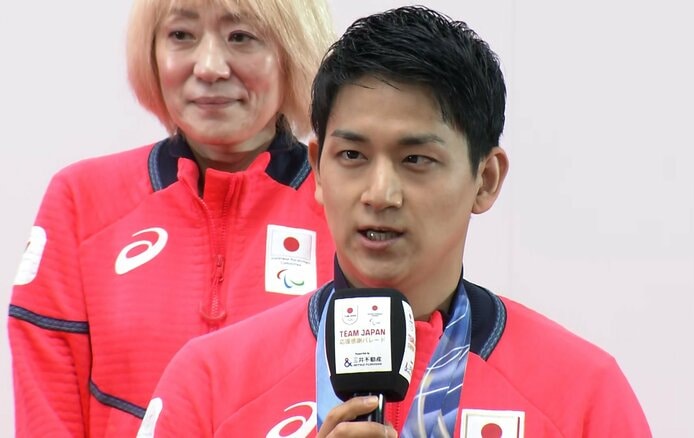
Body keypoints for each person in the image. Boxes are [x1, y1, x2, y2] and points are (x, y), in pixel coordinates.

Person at [138, 6, 652, 437]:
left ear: (486, 179)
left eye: (415, 160)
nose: (379, 194)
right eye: (352, 156)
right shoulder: (210, 381)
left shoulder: (582, 393)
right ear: (317, 170)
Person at [7, 0, 335, 436]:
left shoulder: (346, 212)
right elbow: (47, 416)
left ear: (293, 50)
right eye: (181, 35)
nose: (210, 66)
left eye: (241, 37)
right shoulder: (82, 202)